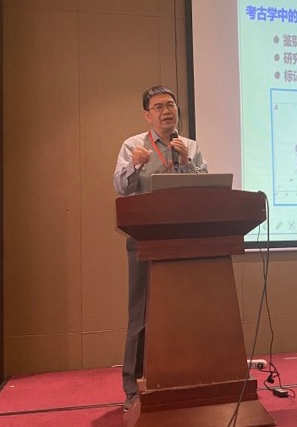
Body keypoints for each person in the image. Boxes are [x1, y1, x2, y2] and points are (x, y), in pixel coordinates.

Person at [111, 85, 208, 409]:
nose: (166, 111)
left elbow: (207, 189)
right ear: (147, 115)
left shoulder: (190, 147)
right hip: (145, 238)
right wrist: (135, 165)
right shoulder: (133, 145)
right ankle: (132, 388)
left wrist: (187, 163)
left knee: (184, 311)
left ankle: (185, 378)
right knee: (141, 315)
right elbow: (121, 188)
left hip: (185, 239)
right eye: (158, 107)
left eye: (170, 105)